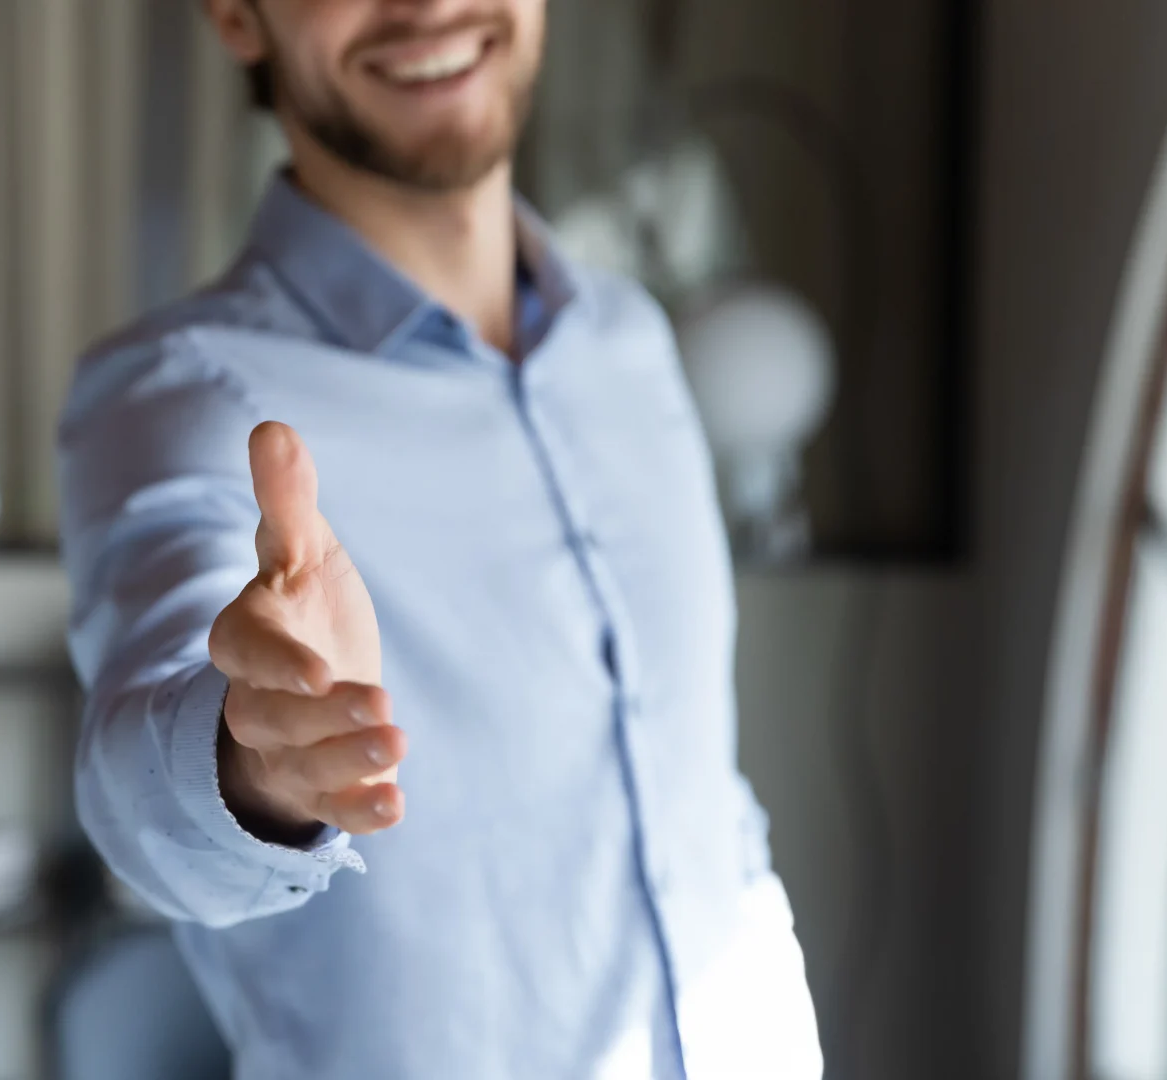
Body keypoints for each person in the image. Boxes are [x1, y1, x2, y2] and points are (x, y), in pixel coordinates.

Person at [58, 1, 823, 1076]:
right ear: (237, 15)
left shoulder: (632, 343)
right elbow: (137, 781)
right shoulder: (183, 394)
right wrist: (253, 764)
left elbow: (694, 783)